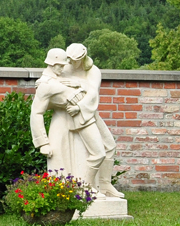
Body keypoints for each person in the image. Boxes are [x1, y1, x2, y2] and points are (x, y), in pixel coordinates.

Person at [62, 43, 123, 198]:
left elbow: (93, 92)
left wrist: (80, 104)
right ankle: (87, 186)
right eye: (68, 58)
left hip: (87, 111)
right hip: (75, 116)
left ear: (82, 58)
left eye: (73, 60)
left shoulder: (93, 70)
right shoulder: (65, 68)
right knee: (98, 152)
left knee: (109, 146)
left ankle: (105, 184)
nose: (70, 62)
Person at [30, 48, 82, 173]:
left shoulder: (59, 77)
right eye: (60, 66)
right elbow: (36, 113)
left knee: (76, 159)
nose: (62, 69)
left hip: (75, 119)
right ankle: (60, 190)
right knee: (59, 161)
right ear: (52, 64)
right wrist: (43, 143)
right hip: (60, 121)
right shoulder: (45, 84)